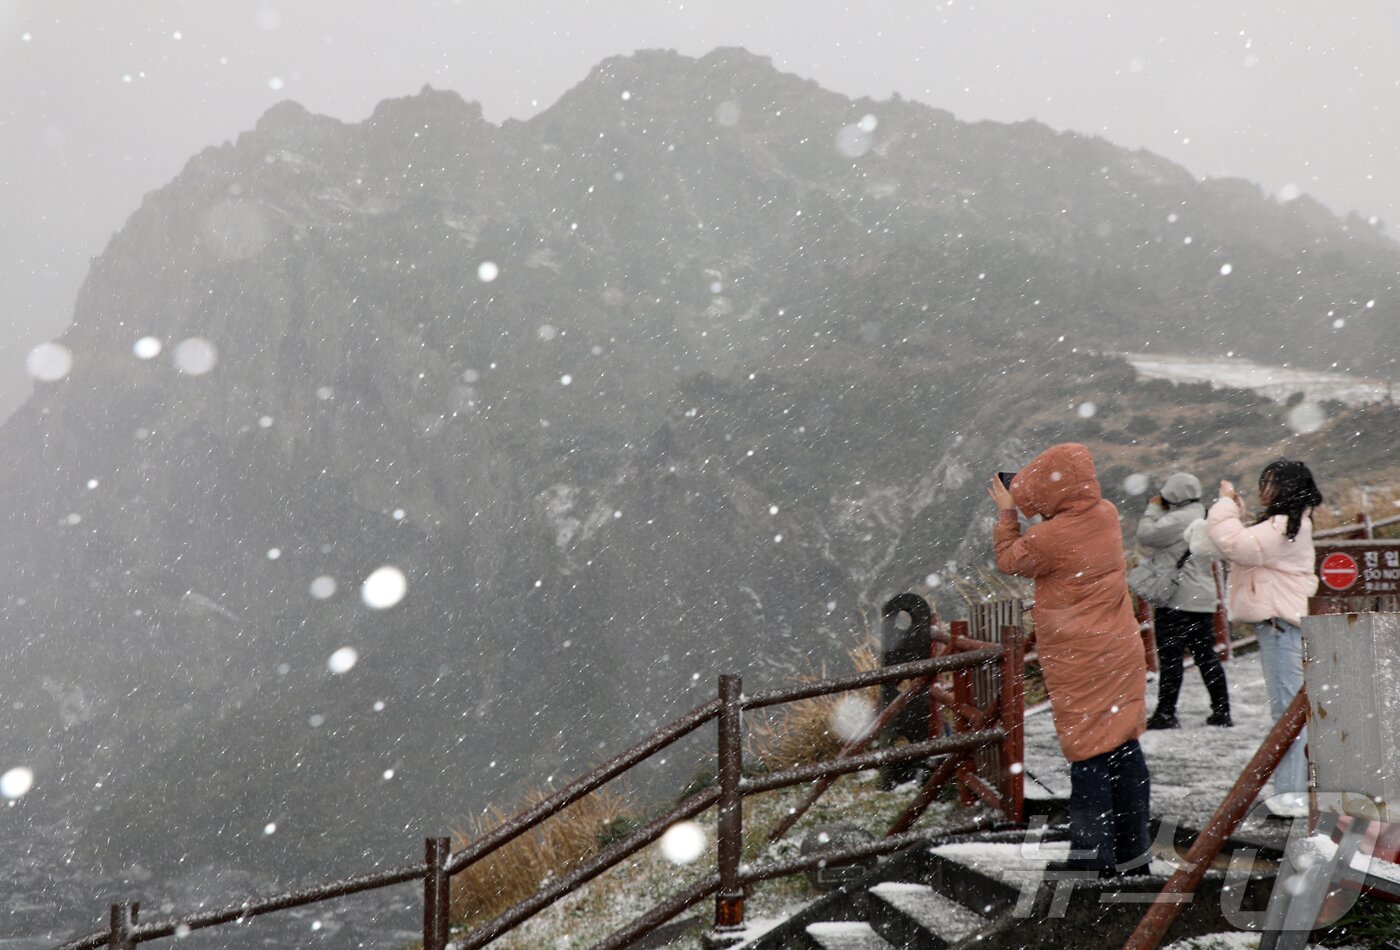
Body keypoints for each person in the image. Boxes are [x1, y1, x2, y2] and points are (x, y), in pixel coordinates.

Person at [990, 443, 1150, 877]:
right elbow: (1066, 528)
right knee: (1122, 747)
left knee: (1088, 755)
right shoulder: (1107, 515)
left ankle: (1091, 858)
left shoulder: (1049, 538)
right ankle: (1134, 856)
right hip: (1119, 650)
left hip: (1084, 658)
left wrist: (1009, 512)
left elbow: (1010, 559)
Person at [1205, 459, 1322, 818]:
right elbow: (1242, 544)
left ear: (1283, 487)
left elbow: (1235, 545)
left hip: (1281, 625)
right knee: (1291, 709)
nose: (1262, 490)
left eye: (1268, 483)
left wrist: (1224, 504)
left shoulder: (1288, 524)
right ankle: (1294, 791)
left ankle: (1293, 795)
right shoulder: (1289, 524)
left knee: (1287, 711)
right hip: (1282, 623)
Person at [1136, 472, 1232, 729]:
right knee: (1206, 656)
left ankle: (1166, 713)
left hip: (1176, 598)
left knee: (1171, 658)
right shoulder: (1204, 512)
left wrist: (1153, 508)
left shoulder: (1178, 518)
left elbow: (1146, 535)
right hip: (1202, 597)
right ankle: (1221, 710)